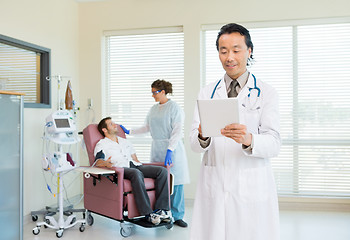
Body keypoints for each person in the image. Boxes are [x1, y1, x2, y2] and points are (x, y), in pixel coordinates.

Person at [189, 23, 281, 240]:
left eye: (236, 50)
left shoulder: (266, 92)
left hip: (250, 186)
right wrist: (202, 136)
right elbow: (194, 143)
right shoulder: (207, 92)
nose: (229, 57)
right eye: (223, 51)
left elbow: (274, 143)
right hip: (215, 184)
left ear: (249, 51)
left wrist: (249, 139)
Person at [120, 79, 190, 228]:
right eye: (151, 92)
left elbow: (177, 132)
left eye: (155, 92)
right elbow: (146, 127)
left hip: (173, 148)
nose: (153, 95)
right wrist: (130, 131)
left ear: (163, 92)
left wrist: (170, 150)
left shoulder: (174, 108)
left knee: (175, 183)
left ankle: (177, 216)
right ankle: (161, 212)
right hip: (157, 147)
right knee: (160, 181)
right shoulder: (153, 109)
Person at [94, 117, 171, 225]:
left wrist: (144, 166)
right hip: (120, 169)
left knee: (161, 171)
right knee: (136, 173)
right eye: (111, 124)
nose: (115, 125)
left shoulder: (125, 142)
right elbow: (98, 162)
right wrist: (106, 164)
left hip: (134, 165)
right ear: (104, 130)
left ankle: (161, 210)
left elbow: (135, 159)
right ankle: (148, 213)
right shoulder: (102, 144)